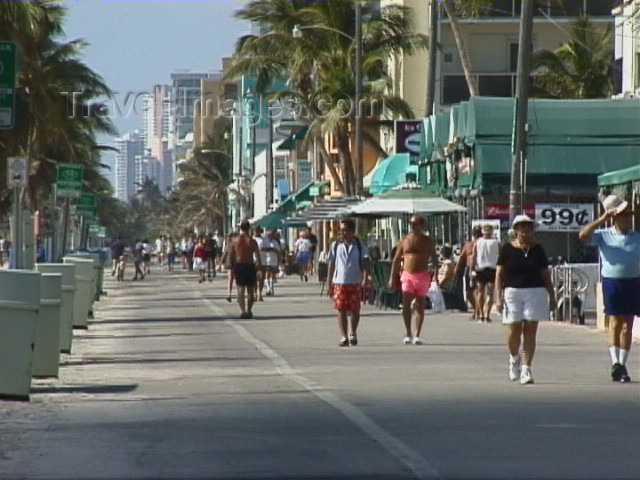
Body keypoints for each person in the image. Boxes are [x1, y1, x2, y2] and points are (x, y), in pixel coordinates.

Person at [579, 194, 640, 383]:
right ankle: (615, 362)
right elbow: (583, 236)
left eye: (630, 215)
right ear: (615, 218)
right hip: (612, 282)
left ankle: (621, 364)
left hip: (633, 282)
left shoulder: (636, 237)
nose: (628, 218)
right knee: (615, 322)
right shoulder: (604, 235)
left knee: (627, 325)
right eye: (624, 215)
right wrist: (602, 219)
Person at [495, 215, 556, 385]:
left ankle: (525, 369)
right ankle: (514, 358)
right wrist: (497, 297)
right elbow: (499, 274)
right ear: (515, 230)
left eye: (528, 227)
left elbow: (545, 274)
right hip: (512, 291)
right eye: (522, 227)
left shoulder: (538, 250)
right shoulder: (507, 249)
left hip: (535, 291)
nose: (525, 230)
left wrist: (552, 296)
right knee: (514, 329)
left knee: (530, 329)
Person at [389, 215, 438, 345]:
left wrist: (436, 276)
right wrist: (392, 277)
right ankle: (408, 332)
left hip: (422, 275)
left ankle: (417, 334)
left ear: (421, 225)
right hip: (408, 275)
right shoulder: (404, 240)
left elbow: (434, 258)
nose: (414, 226)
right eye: (412, 224)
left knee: (420, 306)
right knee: (406, 305)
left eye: (416, 224)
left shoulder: (427, 241)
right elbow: (396, 259)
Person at [327, 218, 369, 347]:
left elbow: (365, 262)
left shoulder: (359, 245)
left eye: (345, 230)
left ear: (351, 231)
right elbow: (331, 264)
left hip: (355, 281)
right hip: (339, 282)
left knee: (355, 309)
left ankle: (353, 332)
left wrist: (365, 278)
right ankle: (344, 335)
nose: (342, 232)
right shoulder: (335, 245)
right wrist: (329, 283)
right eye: (340, 230)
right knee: (341, 310)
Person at [229, 221, 261, 319]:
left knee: (240, 289)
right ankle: (249, 310)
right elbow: (257, 256)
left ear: (241, 228)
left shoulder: (235, 240)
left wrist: (232, 266)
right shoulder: (252, 241)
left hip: (239, 265)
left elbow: (231, 255)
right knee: (250, 290)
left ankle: (243, 311)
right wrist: (259, 268)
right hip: (250, 265)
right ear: (248, 228)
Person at [471, 224, 500, 323]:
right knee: (490, 293)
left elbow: (474, 256)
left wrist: (472, 269)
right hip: (492, 268)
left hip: (480, 268)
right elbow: (500, 255)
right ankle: (487, 314)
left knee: (480, 292)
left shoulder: (478, 242)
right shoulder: (496, 242)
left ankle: (481, 315)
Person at [454, 227, 482, 320]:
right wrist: (457, 267)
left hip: (479, 269)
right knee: (469, 293)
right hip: (468, 269)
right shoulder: (468, 244)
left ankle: (478, 312)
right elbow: (462, 257)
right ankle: (476, 310)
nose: (476, 235)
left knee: (477, 292)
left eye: (478, 233)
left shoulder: (482, 243)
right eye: (475, 233)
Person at [221, 233, 236, 303]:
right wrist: (221, 262)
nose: (229, 238)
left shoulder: (237, 244)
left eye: (230, 237)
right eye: (228, 237)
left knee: (237, 280)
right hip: (230, 263)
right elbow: (224, 254)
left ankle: (238, 295)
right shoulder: (228, 245)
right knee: (230, 279)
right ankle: (229, 295)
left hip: (237, 263)